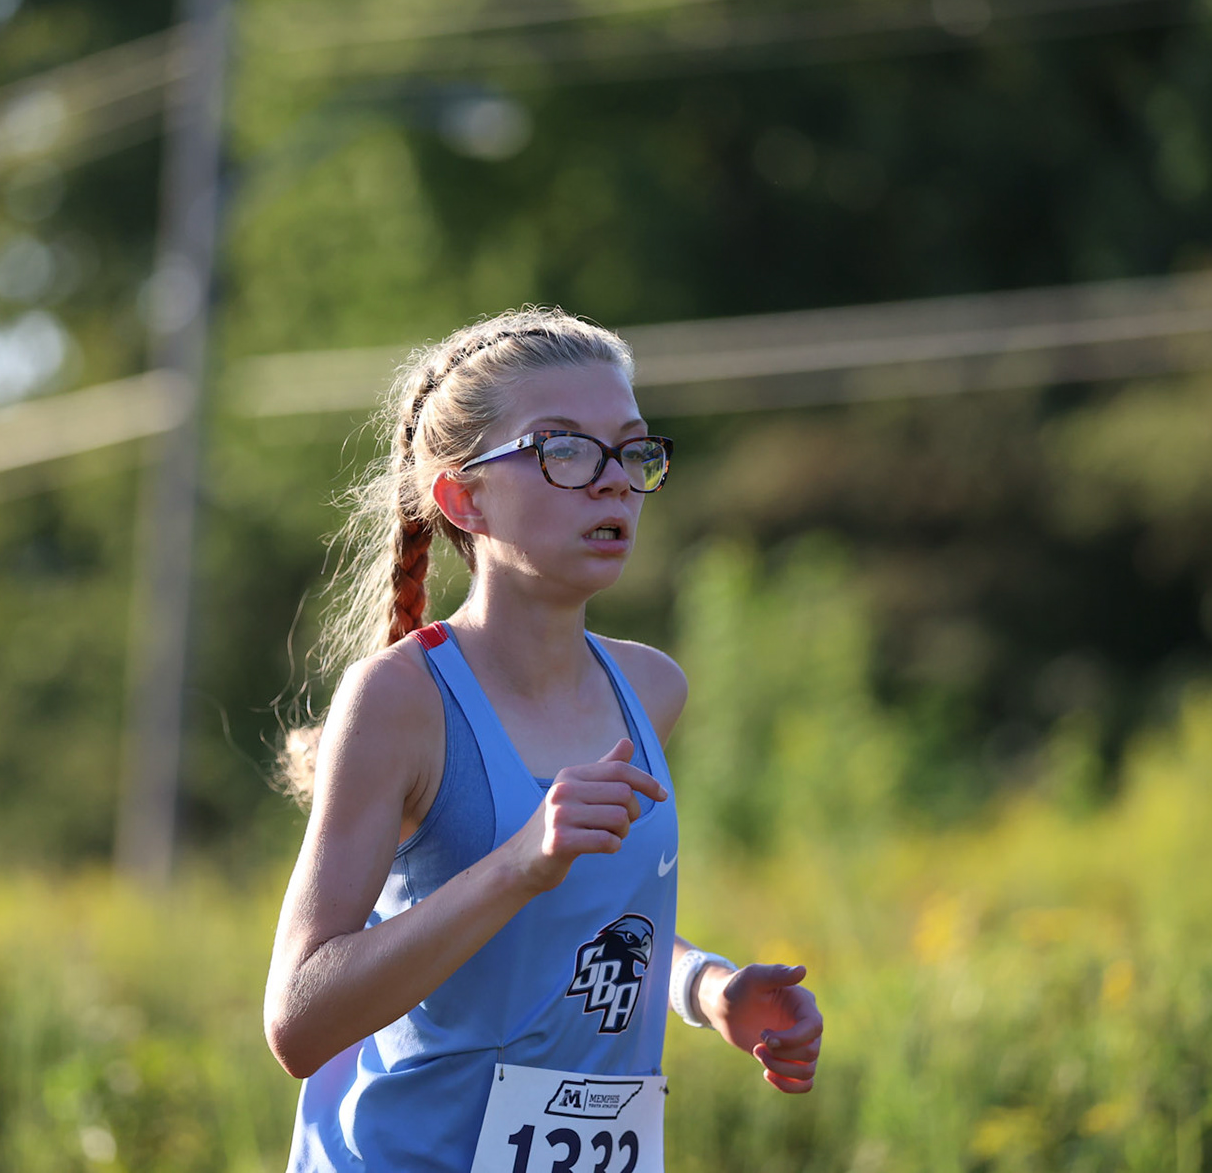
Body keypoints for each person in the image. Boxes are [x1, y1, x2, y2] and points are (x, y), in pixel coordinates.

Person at [265, 306, 823, 1171]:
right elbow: (299, 1021)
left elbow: (580, 929)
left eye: (633, 451)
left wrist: (705, 987)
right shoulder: (399, 701)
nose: (612, 483)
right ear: (463, 496)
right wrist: (521, 861)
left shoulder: (650, 689)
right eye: (563, 449)